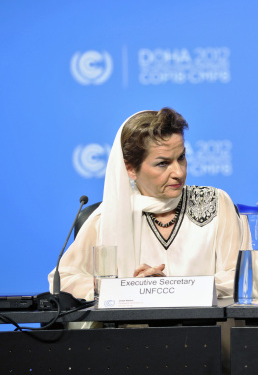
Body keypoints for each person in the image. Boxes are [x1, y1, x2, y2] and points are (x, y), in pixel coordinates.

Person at [48, 108, 241, 301]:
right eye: (163, 163)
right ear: (130, 169)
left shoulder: (215, 203)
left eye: (181, 157)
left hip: (205, 328)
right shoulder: (107, 217)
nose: (179, 172)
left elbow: (241, 275)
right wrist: (130, 288)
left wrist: (169, 289)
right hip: (132, 329)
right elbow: (62, 279)